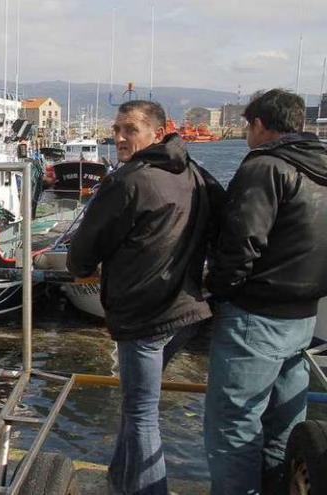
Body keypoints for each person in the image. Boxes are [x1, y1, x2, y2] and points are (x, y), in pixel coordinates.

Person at [68, 100, 221, 494]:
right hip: (186, 310)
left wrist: (85, 268)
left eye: (129, 130)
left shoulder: (128, 181)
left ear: (157, 131)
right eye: (117, 129)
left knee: (141, 413)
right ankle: (121, 476)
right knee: (136, 405)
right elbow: (224, 225)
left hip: (144, 313)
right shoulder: (195, 173)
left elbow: (83, 252)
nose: (119, 137)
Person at [204, 89, 327, 494]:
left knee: (234, 424)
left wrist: (220, 291)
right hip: (304, 316)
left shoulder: (265, 167)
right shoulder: (320, 166)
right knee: (284, 423)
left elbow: (242, 243)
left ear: (259, 124)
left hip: (257, 314)